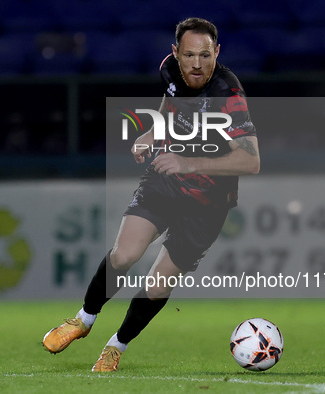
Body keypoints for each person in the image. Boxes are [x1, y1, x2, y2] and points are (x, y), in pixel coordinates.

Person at [43, 17, 260, 372]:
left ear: (217, 52)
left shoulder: (228, 94)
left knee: (158, 284)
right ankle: (84, 320)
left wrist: (187, 164)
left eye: (205, 55)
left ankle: (116, 346)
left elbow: (251, 161)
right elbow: (169, 103)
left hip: (208, 203)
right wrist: (153, 133)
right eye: (188, 55)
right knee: (124, 254)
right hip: (165, 181)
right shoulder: (170, 72)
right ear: (175, 53)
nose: (196, 64)